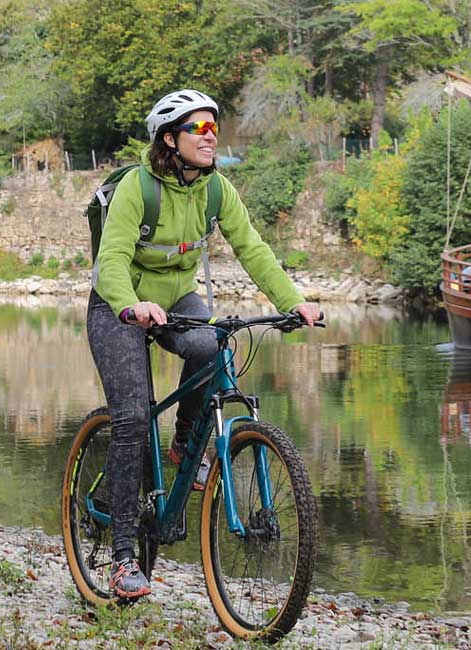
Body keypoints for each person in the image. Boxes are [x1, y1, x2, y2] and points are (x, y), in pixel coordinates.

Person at [87, 89, 322, 599]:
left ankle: (185, 444)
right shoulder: (137, 188)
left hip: (177, 299)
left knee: (215, 345)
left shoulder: (216, 189)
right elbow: (110, 262)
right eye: (198, 128)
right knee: (130, 419)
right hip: (119, 306)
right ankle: (123, 558)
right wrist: (131, 305)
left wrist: (293, 301)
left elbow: (253, 249)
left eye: (214, 127)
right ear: (170, 139)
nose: (210, 135)